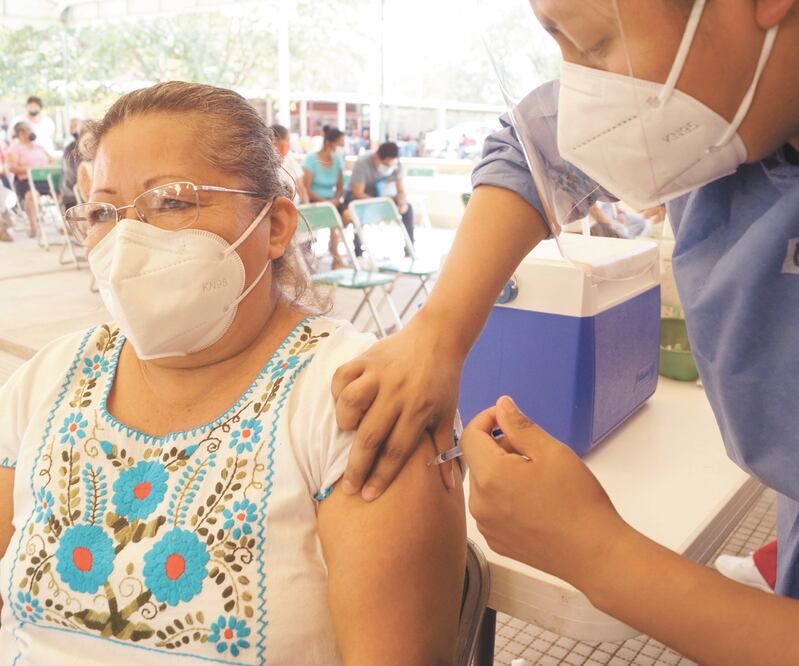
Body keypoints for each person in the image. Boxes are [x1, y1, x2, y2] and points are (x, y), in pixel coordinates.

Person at [330, 0, 799, 663]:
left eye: (594, 42)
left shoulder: (715, 112)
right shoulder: (728, 115)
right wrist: (438, 333)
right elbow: (532, 150)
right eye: (561, 44)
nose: (581, 96)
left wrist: (600, 556)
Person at [0, 81, 466, 665]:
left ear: (276, 226)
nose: (126, 239)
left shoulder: (355, 401)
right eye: (102, 212)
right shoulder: (48, 381)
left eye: (171, 201)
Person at [346, 141, 415, 255]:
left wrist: (402, 203)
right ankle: (358, 250)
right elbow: (358, 193)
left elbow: (401, 190)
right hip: (361, 198)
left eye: (392, 165)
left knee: (408, 209)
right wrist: (381, 202)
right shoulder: (362, 163)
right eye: (387, 165)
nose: (389, 168)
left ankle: (410, 247)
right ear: (377, 157)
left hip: (383, 198)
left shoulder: (396, 163)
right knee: (358, 211)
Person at [303, 126, 348, 266]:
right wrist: (326, 202)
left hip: (332, 201)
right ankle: (336, 258)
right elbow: (306, 188)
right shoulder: (311, 159)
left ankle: (334, 247)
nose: (342, 148)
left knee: (346, 215)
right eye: (340, 144)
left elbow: (340, 187)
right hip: (314, 201)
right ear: (329, 143)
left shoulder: (338, 161)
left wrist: (336, 199)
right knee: (332, 218)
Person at [6, 121, 54, 238]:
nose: (32, 132)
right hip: (25, 182)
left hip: (44, 179)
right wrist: (31, 169)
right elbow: (11, 168)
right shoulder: (14, 149)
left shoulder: (38, 146)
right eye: (29, 130)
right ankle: (33, 227)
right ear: (21, 133)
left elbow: (51, 160)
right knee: (31, 195)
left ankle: (66, 224)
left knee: (62, 192)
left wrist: (46, 168)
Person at [269, 123, 309, 204]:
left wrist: (307, 205)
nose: (289, 144)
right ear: (275, 142)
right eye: (287, 140)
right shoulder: (265, 163)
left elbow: (301, 189)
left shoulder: (290, 160)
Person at [60, 118, 85, 210]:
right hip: (72, 195)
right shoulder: (70, 149)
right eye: (71, 128)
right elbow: (72, 177)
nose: (73, 130)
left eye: (75, 127)